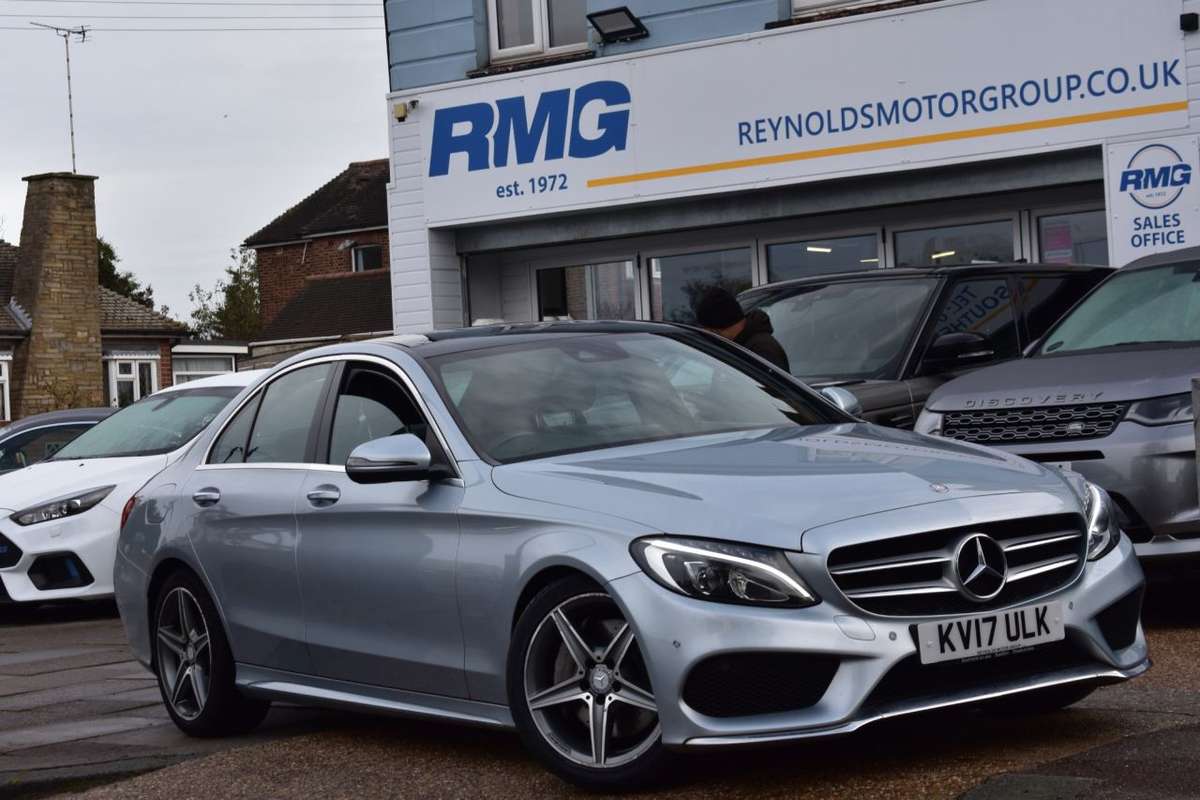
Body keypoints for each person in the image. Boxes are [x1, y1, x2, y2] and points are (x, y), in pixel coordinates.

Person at [693, 287, 791, 373]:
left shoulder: (762, 350)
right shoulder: (736, 346)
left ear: (715, 330)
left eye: (709, 332)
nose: (710, 338)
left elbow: (769, 392)